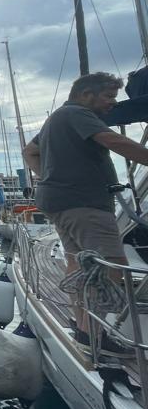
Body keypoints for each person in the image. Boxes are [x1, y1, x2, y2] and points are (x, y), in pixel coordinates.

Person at [22, 71, 148, 357]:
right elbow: (116, 142)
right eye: (108, 97)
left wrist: (50, 176)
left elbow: (29, 152)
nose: (112, 104)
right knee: (109, 267)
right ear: (85, 95)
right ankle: (95, 337)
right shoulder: (77, 113)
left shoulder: (56, 119)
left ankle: (84, 330)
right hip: (85, 205)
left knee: (81, 268)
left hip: (62, 203)